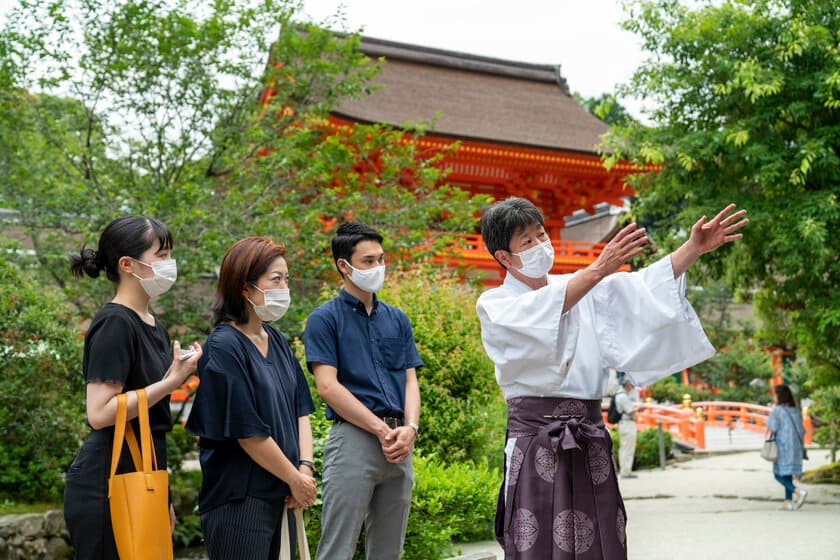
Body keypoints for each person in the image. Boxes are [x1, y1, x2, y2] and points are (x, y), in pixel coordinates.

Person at [475, 197, 748, 559]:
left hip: (589, 437)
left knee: (602, 540)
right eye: (527, 242)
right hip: (536, 443)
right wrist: (598, 269)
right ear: (504, 258)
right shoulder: (495, 304)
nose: (541, 245)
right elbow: (546, 311)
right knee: (537, 545)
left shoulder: (585, 288)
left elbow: (643, 291)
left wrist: (693, 248)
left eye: (542, 235)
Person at [64, 215, 202, 560]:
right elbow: (99, 414)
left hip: (144, 471)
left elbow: (150, 422)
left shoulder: (154, 324)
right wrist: (171, 382)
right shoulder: (114, 322)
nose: (171, 265)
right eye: (162, 255)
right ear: (128, 264)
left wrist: (164, 496)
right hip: (108, 479)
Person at [185, 237, 317, 559]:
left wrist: (305, 469)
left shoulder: (276, 339)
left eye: (286, 279)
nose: (284, 287)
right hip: (241, 500)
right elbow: (248, 433)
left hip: (283, 492)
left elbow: (301, 409)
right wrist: (295, 479)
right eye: (276, 279)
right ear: (244, 289)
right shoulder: (223, 347)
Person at [304, 222, 423, 560]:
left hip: (400, 442)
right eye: (368, 261)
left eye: (381, 259)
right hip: (355, 439)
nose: (378, 268)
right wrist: (380, 428)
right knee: (337, 549)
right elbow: (327, 386)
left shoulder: (397, 319)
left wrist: (410, 429)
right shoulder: (323, 319)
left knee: (389, 551)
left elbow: (410, 380)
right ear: (344, 265)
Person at [767, 384, 808, 511]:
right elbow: (802, 430)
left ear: (779, 396)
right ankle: (788, 502)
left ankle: (798, 491)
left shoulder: (777, 410)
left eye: (775, 394)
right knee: (787, 473)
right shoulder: (796, 410)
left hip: (782, 446)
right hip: (795, 446)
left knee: (777, 474)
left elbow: (772, 427)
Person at [615, 378, 639, 479]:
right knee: (628, 448)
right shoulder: (623, 397)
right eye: (631, 386)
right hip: (627, 423)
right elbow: (630, 411)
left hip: (623, 423)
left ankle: (625, 470)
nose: (632, 388)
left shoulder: (618, 395)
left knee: (624, 448)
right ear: (628, 385)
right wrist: (637, 410)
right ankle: (626, 471)